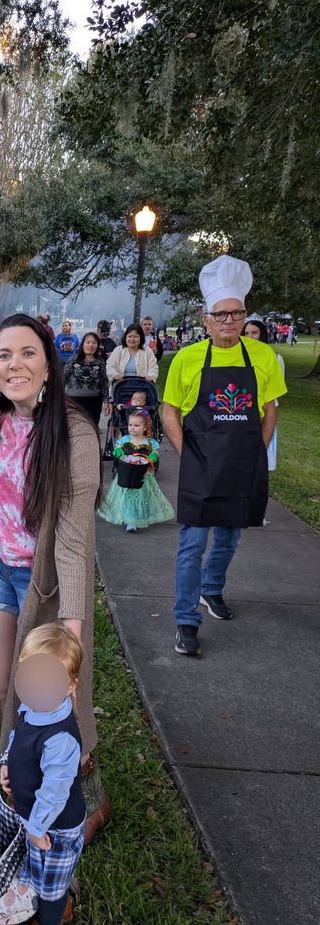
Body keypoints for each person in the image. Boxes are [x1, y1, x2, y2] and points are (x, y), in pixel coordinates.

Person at [0, 313, 110, 846]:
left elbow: (74, 542)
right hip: (2, 574)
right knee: (8, 687)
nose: (15, 365)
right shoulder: (3, 417)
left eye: (28, 353)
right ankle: (21, 784)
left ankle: (84, 802)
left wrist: (71, 637)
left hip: (44, 584)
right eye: (4, 355)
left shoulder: (75, 433)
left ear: (49, 364)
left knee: (51, 700)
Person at [162, 255, 287, 657]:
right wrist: (187, 455)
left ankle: (212, 587)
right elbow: (169, 411)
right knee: (192, 543)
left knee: (230, 537)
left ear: (245, 315)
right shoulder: (187, 359)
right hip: (201, 467)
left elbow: (269, 411)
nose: (229, 321)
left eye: (236, 313)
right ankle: (186, 620)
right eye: (221, 314)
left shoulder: (263, 357)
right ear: (207, 319)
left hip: (242, 465)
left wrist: (256, 452)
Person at [0, 624, 86, 925]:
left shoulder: (60, 738)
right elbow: (17, 739)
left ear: (70, 685)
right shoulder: (31, 708)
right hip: (34, 817)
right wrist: (6, 764)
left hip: (54, 826)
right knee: (42, 871)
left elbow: (55, 792)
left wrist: (36, 828)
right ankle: (60, 907)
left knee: (50, 880)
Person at [98, 409, 174, 532]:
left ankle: (139, 515)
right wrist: (118, 451)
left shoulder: (149, 442)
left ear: (144, 427)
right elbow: (117, 449)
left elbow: (155, 452)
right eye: (130, 425)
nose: (132, 428)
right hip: (126, 473)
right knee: (128, 495)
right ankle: (131, 520)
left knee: (142, 495)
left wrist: (154, 455)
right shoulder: (125, 440)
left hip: (143, 474)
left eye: (136, 425)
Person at [243, 319, 284, 472]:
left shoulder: (274, 358)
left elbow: (275, 390)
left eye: (254, 333)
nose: (250, 337)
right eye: (246, 333)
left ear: (262, 334)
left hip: (265, 410)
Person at [63, 331, 110, 425]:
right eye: (88, 342)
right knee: (74, 429)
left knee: (92, 428)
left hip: (94, 402)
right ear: (82, 344)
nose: (90, 345)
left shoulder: (100, 362)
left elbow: (104, 382)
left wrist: (106, 401)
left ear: (97, 346)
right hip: (73, 401)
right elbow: (63, 379)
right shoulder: (72, 360)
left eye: (94, 343)